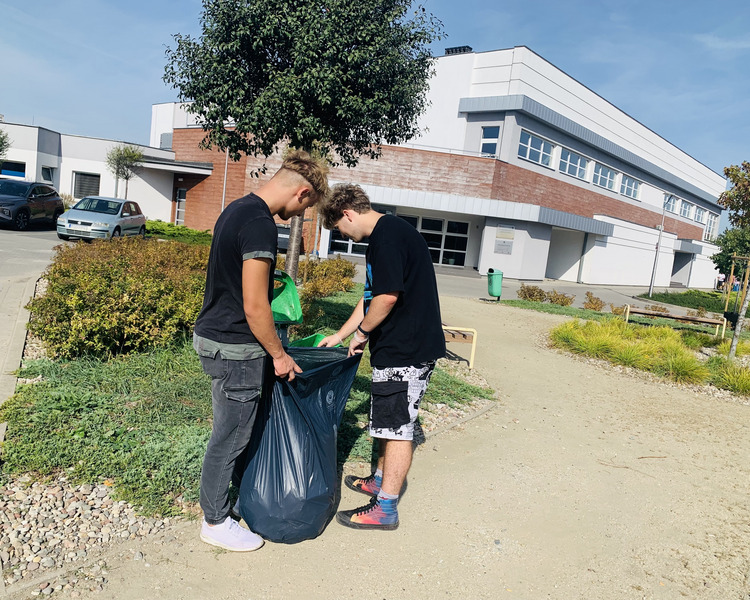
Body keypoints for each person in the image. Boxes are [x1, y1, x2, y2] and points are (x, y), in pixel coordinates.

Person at [193, 150, 329, 551]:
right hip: (236, 347)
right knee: (231, 435)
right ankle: (215, 521)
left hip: (215, 336)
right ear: (302, 193)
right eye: (306, 206)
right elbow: (254, 306)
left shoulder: (237, 209)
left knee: (232, 429)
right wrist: (280, 355)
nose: (300, 213)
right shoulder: (260, 226)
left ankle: (231, 502)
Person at [318, 184, 446, 531]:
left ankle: (385, 507)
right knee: (386, 420)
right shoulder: (386, 233)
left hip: (407, 349)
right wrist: (341, 335)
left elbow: (387, 298)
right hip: (398, 346)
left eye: (339, 228)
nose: (343, 236)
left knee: (397, 428)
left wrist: (362, 334)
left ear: (347, 214)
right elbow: (370, 298)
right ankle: (378, 480)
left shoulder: (387, 238)